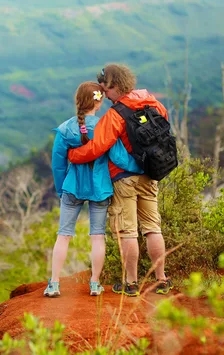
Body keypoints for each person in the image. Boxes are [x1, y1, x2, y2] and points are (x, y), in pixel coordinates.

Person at [68, 64, 173, 297]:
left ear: (113, 85)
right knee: (153, 228)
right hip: (150, 173)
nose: (104, 95)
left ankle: (131, 284)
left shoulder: (115, 115)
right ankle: (162, 280)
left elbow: (97, 147)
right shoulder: (153, 102)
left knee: (127, 231)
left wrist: (73, 155)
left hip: (124, 180)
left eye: (105, 89)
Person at [44, 81, 141, 297]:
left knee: (63, 235)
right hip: (100, 188)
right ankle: (95, 284)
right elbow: (119, 158)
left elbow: (58, 164)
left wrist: (61, 190)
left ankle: (54, 283)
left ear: (78, 100)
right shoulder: (104, 126)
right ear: (98, 103)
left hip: (72, 187)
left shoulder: (65, 129)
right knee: (97, 237)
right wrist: (142, 167)